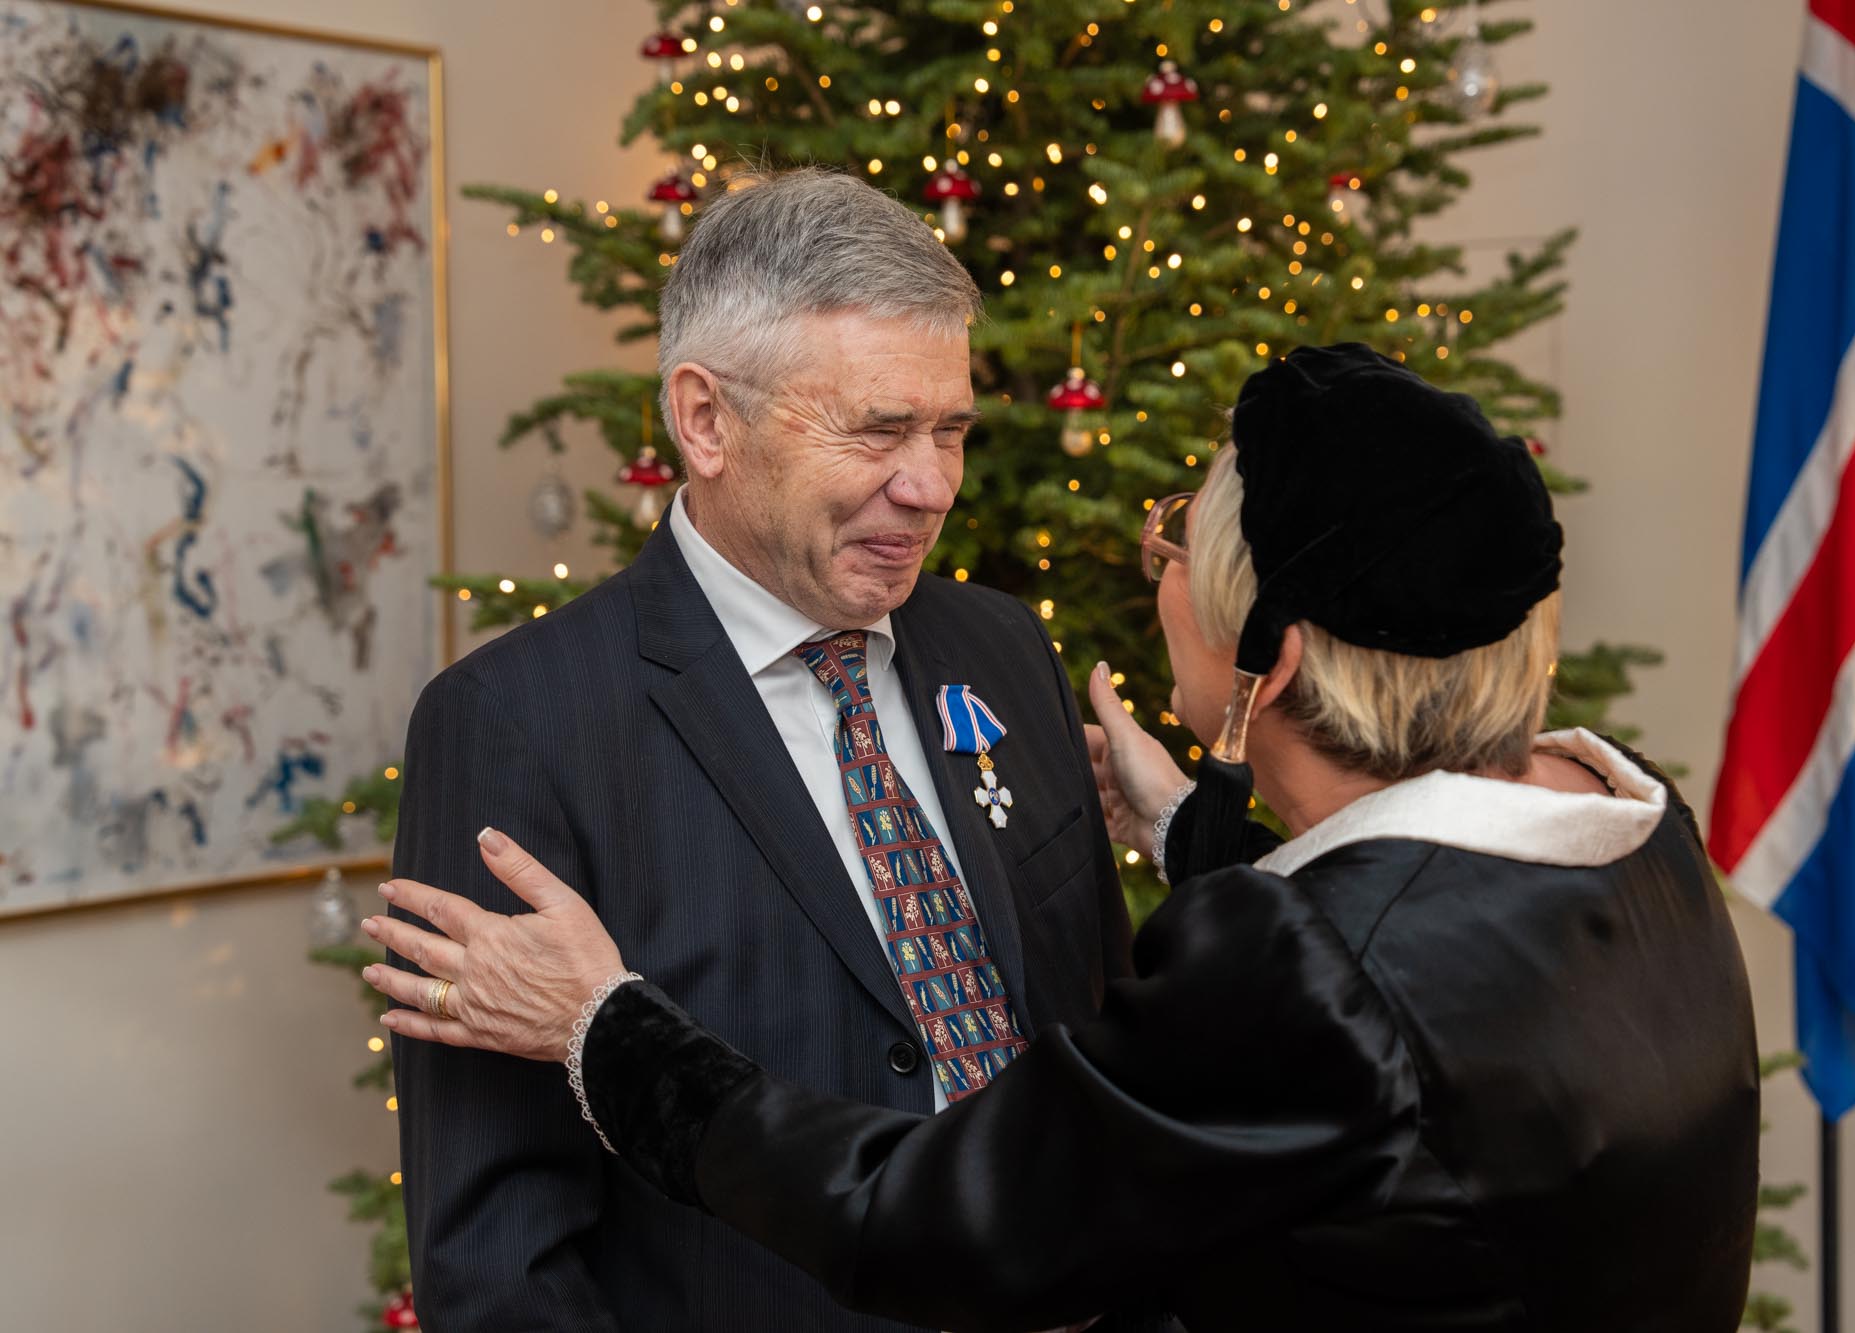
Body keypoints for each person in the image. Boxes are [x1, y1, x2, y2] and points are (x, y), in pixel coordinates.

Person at [365, 344, 1762, 1332]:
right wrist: (1196, 829)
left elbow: (929, 1215)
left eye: (1182, 545)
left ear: (1266, 664)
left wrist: (605, 1029)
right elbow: (1420, 998)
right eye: (876, 429)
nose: (929, 486)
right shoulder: (1627, 830)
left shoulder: (1302, 976)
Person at [386, 168, 1133, 1331]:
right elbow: (500, 1262)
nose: (930, 485)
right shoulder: (520, 723)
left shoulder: (999, 647)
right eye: (878, 429)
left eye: (949, 431)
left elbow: (1104, 1040)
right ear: (705, 421)